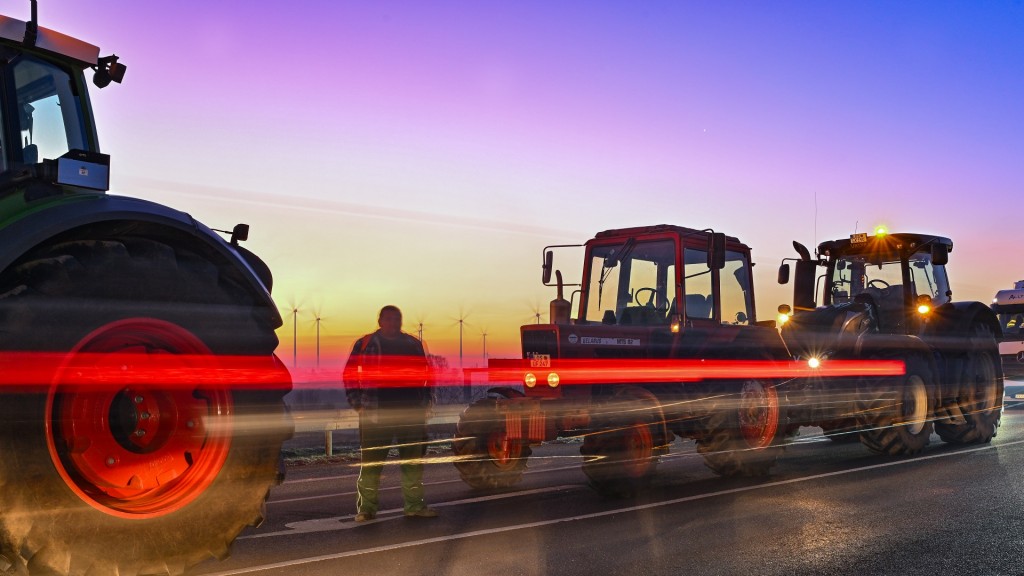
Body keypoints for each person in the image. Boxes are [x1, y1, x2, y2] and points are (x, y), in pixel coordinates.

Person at [343, 305, 438, 522]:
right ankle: (366, 509)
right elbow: (348, 373)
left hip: (410, 414)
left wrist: (426, 402)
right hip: (376, 415)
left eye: (397, 319)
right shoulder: (366, 344)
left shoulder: (413, 344)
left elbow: (428, 374)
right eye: (389, 319)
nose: (393, 323)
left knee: (412, 464)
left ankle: (414, 506)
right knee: (371, 465)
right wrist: (357, 403)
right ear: (380, 321)